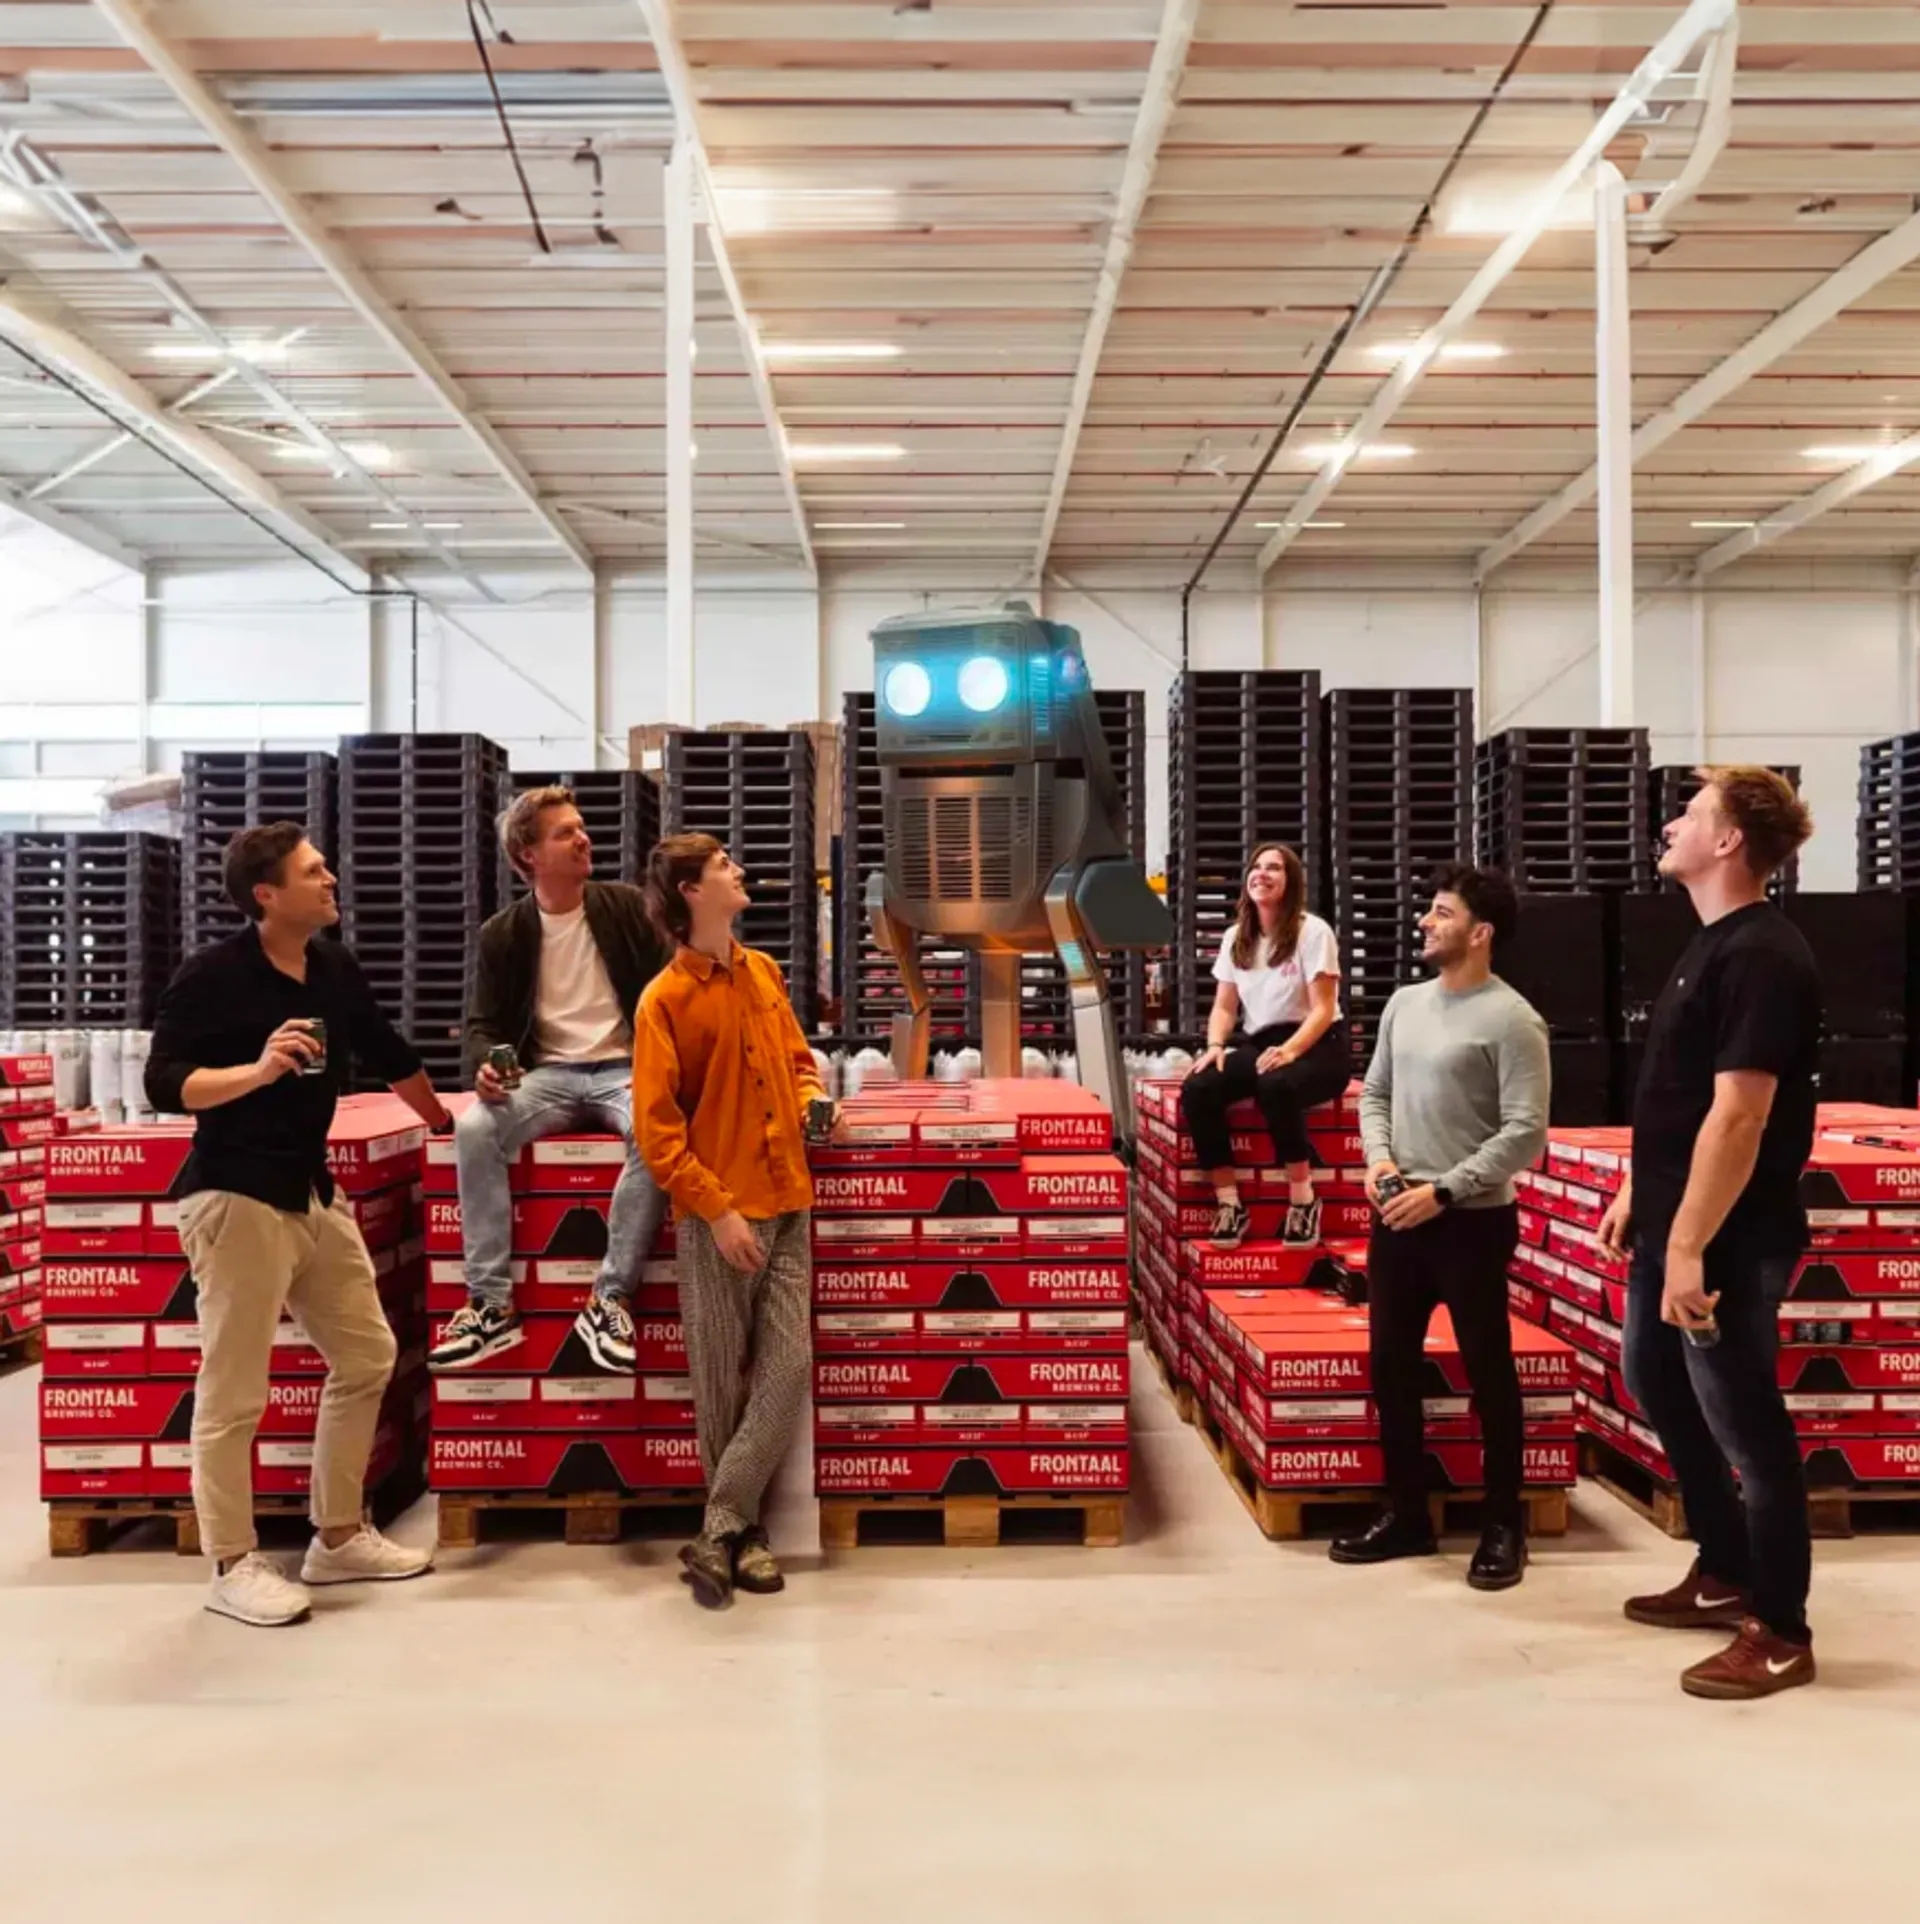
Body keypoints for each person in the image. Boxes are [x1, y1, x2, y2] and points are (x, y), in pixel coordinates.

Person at [146, 822, 448, 1629]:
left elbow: (389, 1049)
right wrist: (260, 1068)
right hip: (235, 1197)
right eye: (314, 873)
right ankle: (231, 1560)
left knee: (366, 1354)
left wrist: (450, 1120)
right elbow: (165, 1085)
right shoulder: (213, 976)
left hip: (311, 1191)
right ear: (266, 896)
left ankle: (338, 1536)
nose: (332, 880)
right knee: (234, 1388)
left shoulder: (333, 966)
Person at [1598, 768, 1821, 1701]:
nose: (1672, 825)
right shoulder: (1711, 945)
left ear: (1729, 842)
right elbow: (1685, 1102)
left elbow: (1739, 1118)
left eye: (1691, 815)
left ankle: (1780, 1627)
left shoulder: (1762, 954)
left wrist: (1688, 1244)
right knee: (1653, 1374)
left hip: (1727, 1235)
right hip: (1678, 1220)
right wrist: (1636, 1191)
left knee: (1746, 1423)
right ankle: (1725, 1570)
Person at [1334, 864, 1549, 1591]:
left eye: (1441, 911)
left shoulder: (1514, 1020)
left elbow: (1525, 1133)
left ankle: (1501, 1526)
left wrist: (1446, 1192)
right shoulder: (1405, 1004)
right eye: (1428, 909)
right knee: (1391, 1367)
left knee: (1489, 1373)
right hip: (1396, 1214)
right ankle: (1407, 1517)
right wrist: (1379, 1160)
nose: (1425, 921)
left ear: (1480, 933)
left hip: (1471, 1223)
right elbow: (1377, 1093)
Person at [633, 833, 827, 1611]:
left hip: (788, 1199)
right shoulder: (664, 1000)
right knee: (719, 1386)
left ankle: (718, 1524)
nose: (738, 871)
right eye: (722, 866)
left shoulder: (765, 974)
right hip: (719, 1214)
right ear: (689, 891)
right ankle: (747, 1542)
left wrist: (815, 1104)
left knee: (789, 1367)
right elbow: (656, 1131)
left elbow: (801, 1061)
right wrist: (715, 1211)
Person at [430, 786, 672, 1375]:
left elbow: (672, 991)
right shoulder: (503, 933)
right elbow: (482, 1025)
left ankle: (609, 1298)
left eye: (581, 827)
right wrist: (486, 1065)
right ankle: (490, 1305)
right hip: (549, 1075)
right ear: (529, 854)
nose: (583, 838)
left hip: (624, 1068)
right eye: (565, 833)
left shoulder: (625, 908)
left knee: (656, 1125)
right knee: (473, 1129)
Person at [1180, 843, 1352, 1249]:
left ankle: (1303, 1199)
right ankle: (1229, 1202)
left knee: (1276, 1085)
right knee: (1199, 1087)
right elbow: (1224, 1006)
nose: (1262, 874)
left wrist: (1291, 1051)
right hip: (1263, 1042)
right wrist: (1215, 1045)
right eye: (1256, 867)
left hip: (1318, 1043)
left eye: (1274, 868)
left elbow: (1324, 1009)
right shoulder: (1236, 937)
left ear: (1290, 882)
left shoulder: (1314, 932)